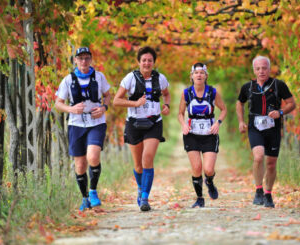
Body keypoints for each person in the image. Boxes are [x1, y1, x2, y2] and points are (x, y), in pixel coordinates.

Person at [113, 46, 170, 212]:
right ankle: (140, 187)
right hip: (134, 123)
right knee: (138, 165)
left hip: (153, 123)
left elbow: (166, 94)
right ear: (138, 62)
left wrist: (166, 105)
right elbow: (117, 101)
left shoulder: (160, 78)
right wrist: (135, 103)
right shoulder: (130, 78)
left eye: (150, 60)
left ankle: (145, 197)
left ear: (154, 63)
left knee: (147, 158)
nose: (147, 63)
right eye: (144, 60)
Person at [55, 47, 111, 211]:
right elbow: (58, 103)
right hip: (76, 124)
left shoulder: (99, 77)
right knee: (80, 166)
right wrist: (71, 109)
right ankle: (84, 197)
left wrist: (103, 107)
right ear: (75, 61)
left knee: (93, 157)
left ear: (91, 59)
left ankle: (93, 191)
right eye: (81, 58)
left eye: (87, 58)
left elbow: (107, 95)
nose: (84, 61)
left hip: (96, 122)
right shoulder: (67, 80)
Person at [236, 56, 296, 208]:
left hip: (273, 129)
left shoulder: (278, 85)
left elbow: (291, 103)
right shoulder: (248, 87)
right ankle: (258, 190)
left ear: (269, 69)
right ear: (254, 70)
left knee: (271, 163)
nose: (261, 71)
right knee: (258, 156)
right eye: (258, 68)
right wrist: (241, 121)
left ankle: (268, 194)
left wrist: (280, 112)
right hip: (255, 128)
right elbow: (239, 103)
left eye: (264, 68)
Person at [178, 63, 227, 208]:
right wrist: (184, 124)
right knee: (197, 168)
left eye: (202, 72)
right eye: (196, 73)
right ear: (191, 76)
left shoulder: (212, 92)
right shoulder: (186, 93)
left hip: (209, 134)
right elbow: (180, 113)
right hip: (191, 134)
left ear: (206, 76)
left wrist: (217, 123)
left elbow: (223, 109)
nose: (199, 75)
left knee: (208, 169)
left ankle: (210, 181)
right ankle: (200, 198)